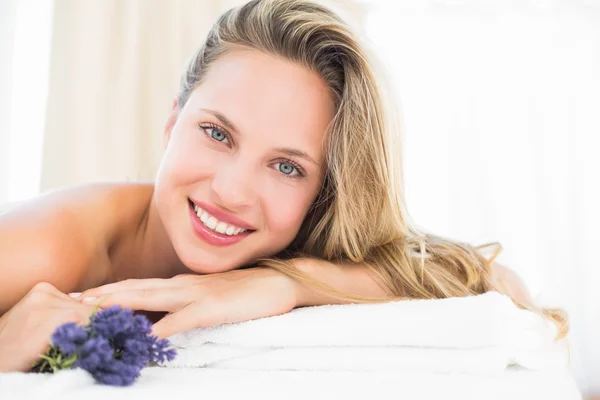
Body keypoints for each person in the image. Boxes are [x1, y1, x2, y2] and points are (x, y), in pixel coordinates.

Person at [0, 0, 567, 373]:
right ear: (173, 122)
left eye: (288, 166)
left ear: (327, 192)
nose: (232, 189)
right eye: (217, 133)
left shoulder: (294, 245)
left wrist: (286, 284)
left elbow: (500, 283)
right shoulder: (48, 246)